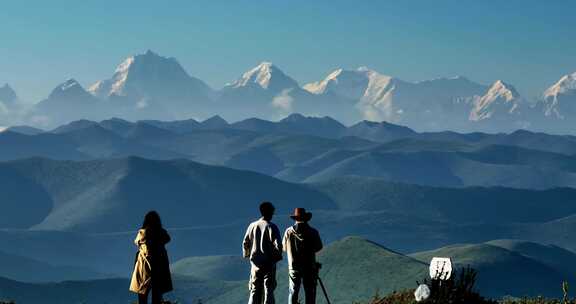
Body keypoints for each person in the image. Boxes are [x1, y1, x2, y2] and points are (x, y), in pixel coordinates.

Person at [243, 202, 283, 304]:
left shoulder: (252, 226)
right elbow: (278, 245)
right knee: (268, 289)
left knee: (255, 289)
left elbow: (245, 243)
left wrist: (248, 255)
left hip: (255, 263)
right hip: (268, 263)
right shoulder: (271, 226)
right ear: (269, 213)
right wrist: (277, 257)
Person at [130, 211, 173, 304]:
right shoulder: (161, 234)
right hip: (159, 269)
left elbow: (136, 241)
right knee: (157, 295)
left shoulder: (142, 233)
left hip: (143, 268)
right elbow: (168, 238)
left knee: (142, 295)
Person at [283, 208, 323, 304]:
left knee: (293, 291)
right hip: (309, 266)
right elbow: (319, 247)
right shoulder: (313, 232)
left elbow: (284, 248)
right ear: (306, 218)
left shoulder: (288, 232)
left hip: (293, 266)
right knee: (309, 291)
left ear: (295, 218)